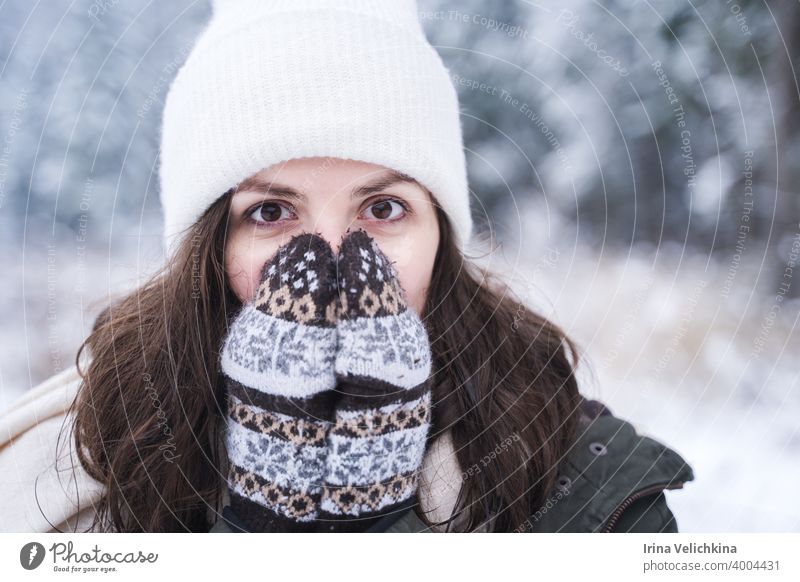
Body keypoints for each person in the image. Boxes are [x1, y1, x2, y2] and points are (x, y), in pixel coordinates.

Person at [0, 0, 693, 533]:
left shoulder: (586, 486)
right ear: (209, 250)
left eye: (383, 208)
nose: (333, 261)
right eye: (272, 213)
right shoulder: (63, 474)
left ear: (441, 236)